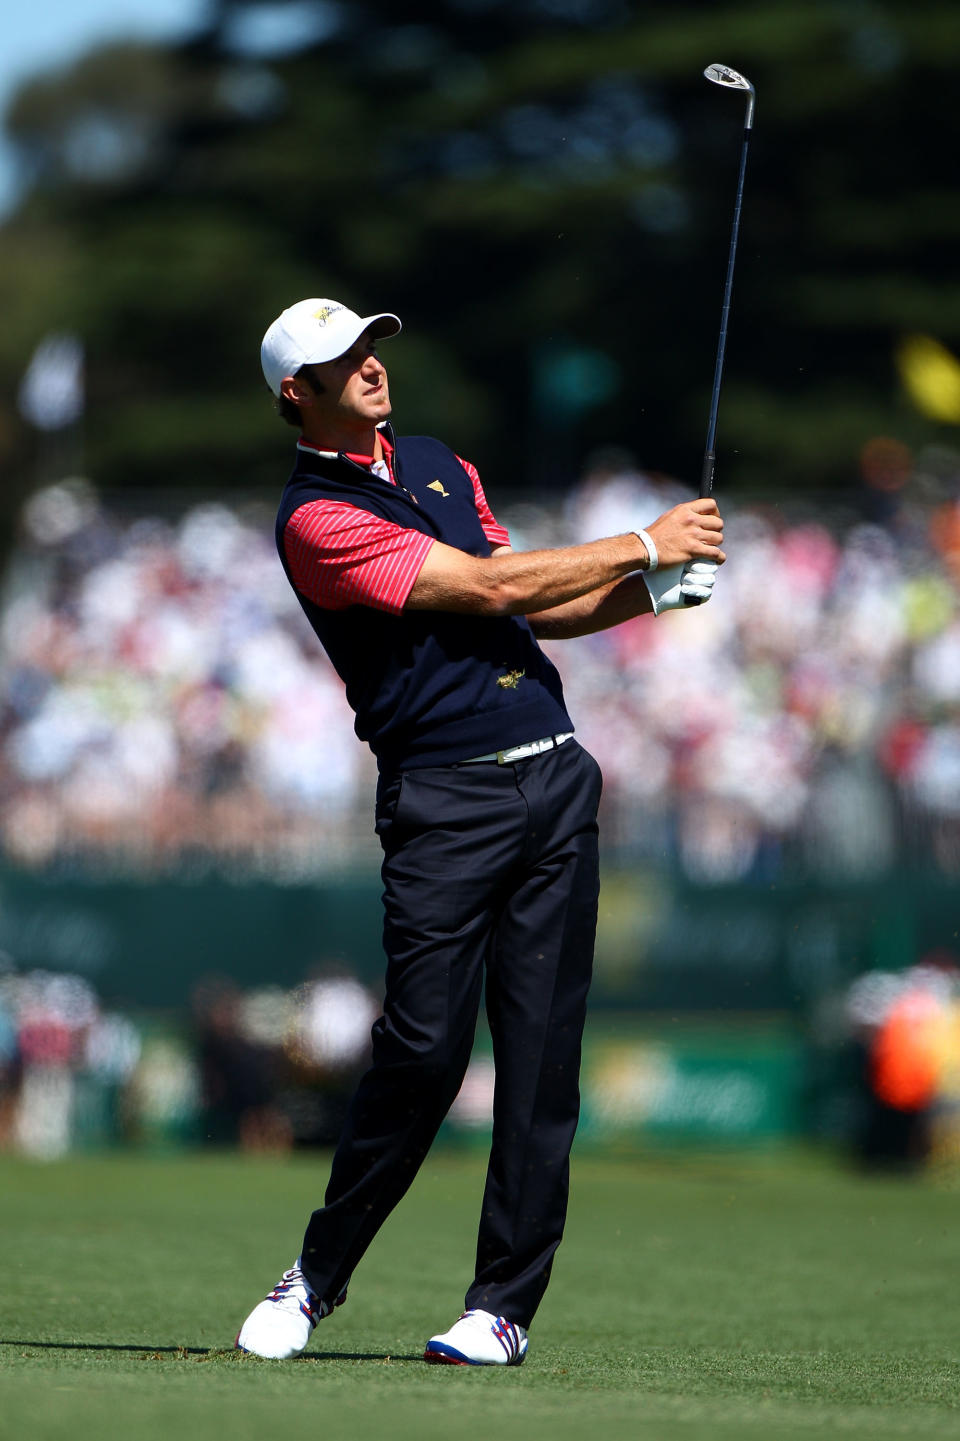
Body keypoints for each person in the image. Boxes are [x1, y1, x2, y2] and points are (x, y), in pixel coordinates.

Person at [235, 298, 724, 1366]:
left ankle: (499, 1307)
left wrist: (646, 591)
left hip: (553, 773)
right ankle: (318, 1275)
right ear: (295, 393)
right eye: (340, 360)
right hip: (442, 800)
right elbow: (486, 583)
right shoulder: (314, 519)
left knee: (543, 1063)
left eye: (369, 347)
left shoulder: (438, 462)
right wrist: (643, 536)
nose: (369, 366)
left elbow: (529, 611)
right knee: (421, 1051)